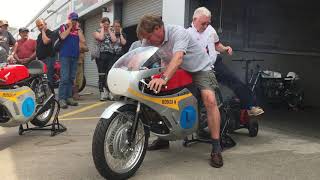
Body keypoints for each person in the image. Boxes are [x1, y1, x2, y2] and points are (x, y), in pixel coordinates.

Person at [137, 15, 223, 168]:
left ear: (158, 29)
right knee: (158, 96)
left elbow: (178, 58)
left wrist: (163, 78)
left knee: (209, 99)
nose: (148, 41)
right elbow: (141, 55)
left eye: (149, 37)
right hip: (176, 69)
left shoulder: (178, 33)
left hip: (199, 68)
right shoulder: (149, 39)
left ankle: (216, 148)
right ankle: (164, 138)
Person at [187, 7, 264, 116]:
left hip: (215, 64)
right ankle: (199, 124)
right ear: (195, 19)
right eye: (203, 23)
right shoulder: (187, 34)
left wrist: (225, 49)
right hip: (200, 69)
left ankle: (250, 106)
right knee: (199, 96)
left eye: (208, 23)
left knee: (234, 80)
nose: (206, 26)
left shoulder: (210, 29)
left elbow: (216, 44)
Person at [58, 12, 84, 109]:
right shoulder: (63, 27)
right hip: (65, 56)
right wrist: (70, 27)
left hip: (74, 56)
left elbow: (83, 41)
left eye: (76, 19)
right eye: (73, 19)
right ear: (69, 19)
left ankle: (69, 97)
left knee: (71, 78)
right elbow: (62, 37)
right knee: (64, 78)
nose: (74, 21)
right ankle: (61, 98)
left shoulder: (78, 30)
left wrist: (78, 29)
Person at [93, 17, 116, 101]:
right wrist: (102, 28)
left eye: (108, 24)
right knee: (101, 74)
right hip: (100, 55)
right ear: (102, 24)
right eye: (105, 24)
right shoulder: (97, 31)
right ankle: (102, 92)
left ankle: (109, 92)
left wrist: (109, 30)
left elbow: (114, 40)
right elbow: (101, 38)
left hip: (110, 54)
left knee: (109, 74)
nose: (106, 25)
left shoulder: (111, 31)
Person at [35, 18, 55, 89]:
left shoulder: (51, 33)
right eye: (38, 26)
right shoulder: (39, 36)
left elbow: (45, 41)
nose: (40, 27)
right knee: (42, 79)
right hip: (41, 60)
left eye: (41, 25)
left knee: (49, 78)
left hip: (49, 58)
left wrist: (43, 31)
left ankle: (51, 95)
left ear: (45, 24)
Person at [73, 28, 88, 100]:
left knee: (79, 78)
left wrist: (81, 48)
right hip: (73, 60)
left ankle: (76, 93)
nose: (80, 32)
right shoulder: (73, 37)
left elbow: (86, 48)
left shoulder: (81, 40)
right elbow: (79, 48)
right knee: (74, 78)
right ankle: (73, 94)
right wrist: (81, 48)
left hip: (80, 61)